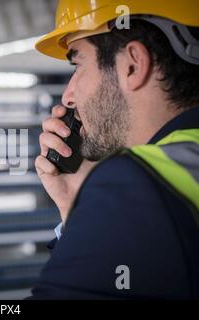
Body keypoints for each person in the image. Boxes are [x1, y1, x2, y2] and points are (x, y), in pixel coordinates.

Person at [29, 0, 199, 299]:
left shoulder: (136, 186)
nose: (68, 97)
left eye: (77, 64)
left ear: (132, 64)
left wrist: (97, 206)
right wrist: (77, 209)